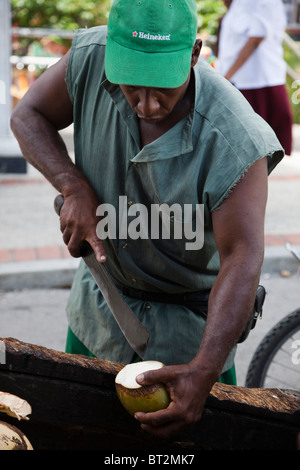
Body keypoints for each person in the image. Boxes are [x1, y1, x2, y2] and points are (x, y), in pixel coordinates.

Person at [10, 0, 284, 439]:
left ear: (194, 54)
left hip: (189, 342)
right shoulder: (90, 57)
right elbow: (28, 115)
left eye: (164, 88)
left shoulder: (236, 138)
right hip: (100, 315)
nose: (147, 104)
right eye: (131, 86)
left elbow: (243, 255)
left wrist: (203, 372)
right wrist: (72, 185)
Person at [217, 0, 293, 156]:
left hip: (255, 82)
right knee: (244, 148)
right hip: (243, 81)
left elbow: (256, 38)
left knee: (252, 148)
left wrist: (227, 76)